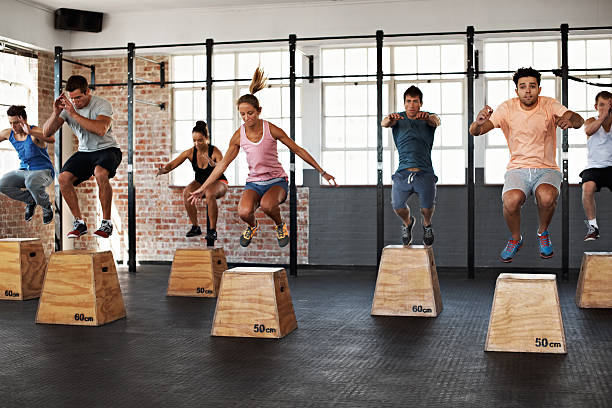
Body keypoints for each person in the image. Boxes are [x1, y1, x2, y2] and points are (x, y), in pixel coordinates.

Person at [189, 68, 337, 248]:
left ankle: (280, 225)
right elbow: (221, 167)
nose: (246, 118)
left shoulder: (271, 129)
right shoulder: (238, 136)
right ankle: (253, 226)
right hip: (255, 183)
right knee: (244, 212)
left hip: (276, 181)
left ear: (259, 110)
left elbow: (298, 150)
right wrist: (202, 188)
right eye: (242, 114)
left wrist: (323, 172)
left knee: (267, 205)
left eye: (250, 113)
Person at [470, 67, 584, 262]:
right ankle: (515, 239)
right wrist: (478, 121)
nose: (528, 90)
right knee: (511, 200)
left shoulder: (549, 104)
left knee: (547, 197)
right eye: (523, 87)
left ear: (539, 88)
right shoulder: (507, 108)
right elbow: (476, 131)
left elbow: (578, 119)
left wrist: (569, 119)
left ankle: (542, 233)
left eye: (532, 86)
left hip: (546, 168)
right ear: (517, 91)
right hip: (517, 169)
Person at [43, 75, 122, 239]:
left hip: (108, 149)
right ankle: (79, 223)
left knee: (100, 173)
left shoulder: (102, 104)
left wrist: (74, 114)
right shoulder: (68, 108)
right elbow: (46, 133)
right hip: (85, 152)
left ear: (88, 91)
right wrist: (56, 112)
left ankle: (106, 223)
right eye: (72, 98)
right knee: (63, 178)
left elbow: (101, 129)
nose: (76, 102)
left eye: (79, 97)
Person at [382, 85, 440, 246]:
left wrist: (427, 118)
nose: (411, 105)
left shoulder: (428, 117)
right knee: (397, 205)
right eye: (408, 101)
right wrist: (389, 119)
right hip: (403, 173)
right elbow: (384, 122)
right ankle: (408, 223)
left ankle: (426, 224)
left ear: (420, 103)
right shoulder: (398, 118)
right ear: (404, 103)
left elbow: (436, 121)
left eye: (415, 101)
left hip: (425, 173)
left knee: (426, 209)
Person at [156, 121, 228, 240]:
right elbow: (173, 164)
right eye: (194, 140)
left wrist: (214, 164)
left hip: (219, 182)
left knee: (210, 192)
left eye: (200, 140)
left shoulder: (215, 151)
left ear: (206, 138)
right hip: (200, 182)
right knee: (186, 193)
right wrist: (164, 170)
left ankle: (212, 231)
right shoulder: (190, 152)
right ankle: (195, 227)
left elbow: (222, 168)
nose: (197, 143)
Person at [0, 105, 55, 224]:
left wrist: (30, 131)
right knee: (2, 184)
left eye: (16, 123)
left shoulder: (34, 133)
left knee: (31, 181)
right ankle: (31, 200)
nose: (13, 126)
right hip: (24, 171)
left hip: (44, 172)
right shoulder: (9, 133)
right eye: (10, 123)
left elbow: (51, 138)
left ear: (23, 120)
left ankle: (46, 207)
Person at [580, 90, 612, 241]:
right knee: (587, 188)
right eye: (602, 105)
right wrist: (603, 117)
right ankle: (593, 227)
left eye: (609, 105)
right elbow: (589, 130)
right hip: (594, 167)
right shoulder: (590, 121)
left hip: (611, 167)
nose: (605, 108)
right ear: (596, 106)